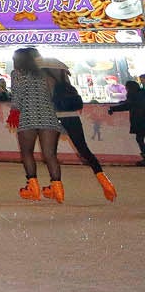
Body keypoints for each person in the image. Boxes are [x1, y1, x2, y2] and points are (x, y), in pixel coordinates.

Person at [49, 64, 116, 202]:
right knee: (84, 149)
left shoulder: (48, 82)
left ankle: (56, 187)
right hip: (73, 118)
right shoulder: (68, 85)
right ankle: (105, 181)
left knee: (50, 154)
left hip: (54, 118)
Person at [10, 47, 65, 204]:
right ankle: (57, 188)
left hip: (27, 117)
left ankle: (33, 187)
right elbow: (54, 95)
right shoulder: (48, 73)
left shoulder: (17, 74)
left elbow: (17, 95)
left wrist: (14, 111)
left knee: (27, 153)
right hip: (49, 117)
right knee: (50, 155)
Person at [109, 79, 145, 160]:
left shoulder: (133, 95)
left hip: (140, 120)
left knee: (139, 138)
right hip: (141, 119)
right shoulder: (142, 93)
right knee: (140, 138)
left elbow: (127, 105)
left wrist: (113, 109)